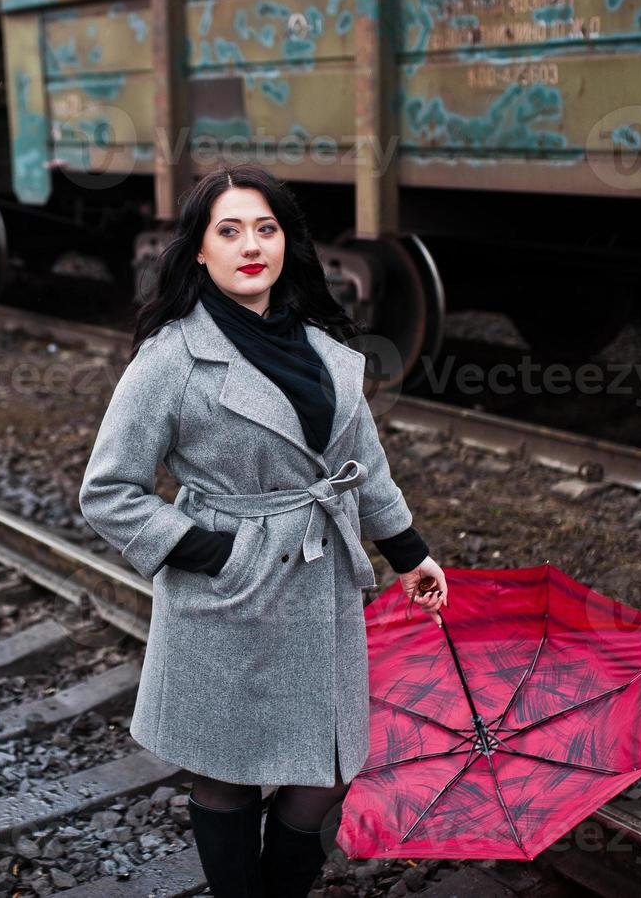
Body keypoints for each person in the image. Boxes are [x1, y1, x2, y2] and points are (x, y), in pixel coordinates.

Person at [78, 162, 448, 897]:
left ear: (285, 244)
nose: (250, 245)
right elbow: (108, 490)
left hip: (320, 586)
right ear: (198, 252)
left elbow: (358, 462)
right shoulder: (171, 359)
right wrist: (213, 550)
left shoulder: (322, 347)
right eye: (229, 230)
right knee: (229, 777)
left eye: (265, 228)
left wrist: (408, 551)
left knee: (327, 770)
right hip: (230, 595)